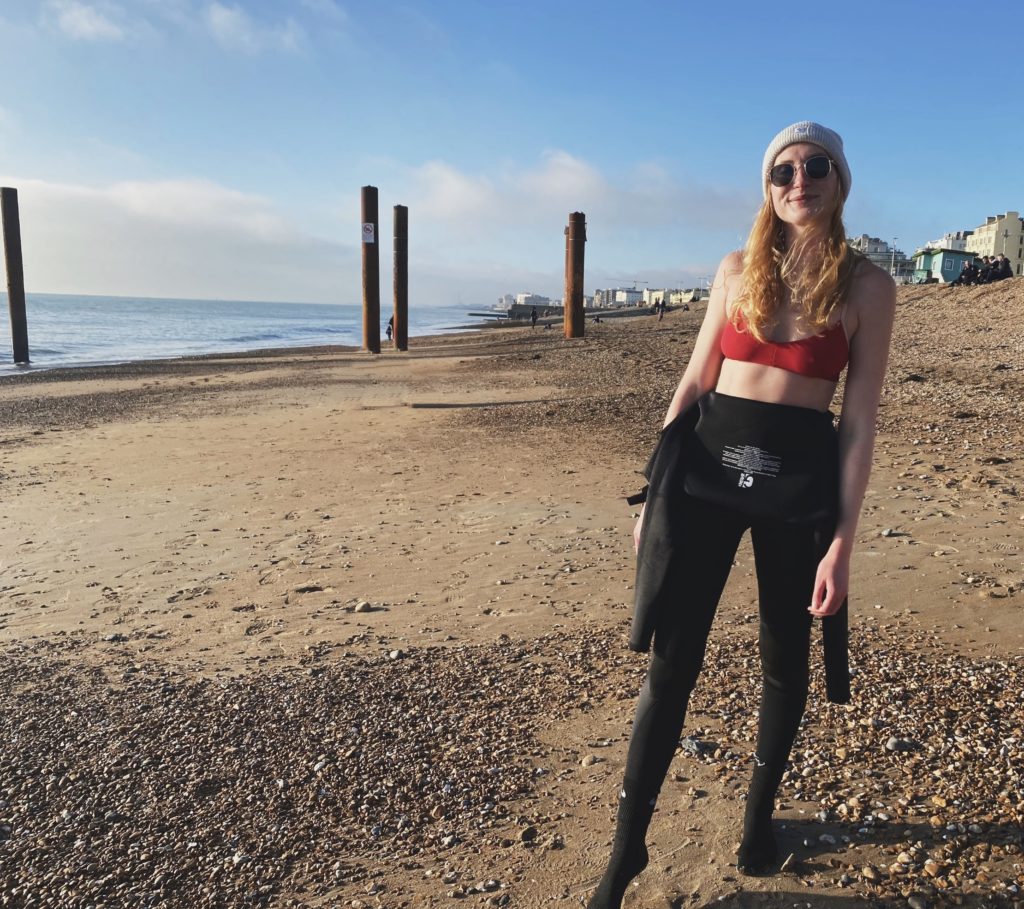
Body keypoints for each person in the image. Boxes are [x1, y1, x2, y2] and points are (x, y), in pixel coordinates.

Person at [587, 121, 895, 909]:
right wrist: (654, 492)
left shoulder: (866, 287)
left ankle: (758, 822)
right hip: (703, 474)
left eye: (816, 165)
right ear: (768, 186)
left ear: (839, 179)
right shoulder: (734, 270)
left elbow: (858, 423)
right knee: (672, 662)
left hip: (799, 484)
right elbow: (694, 383)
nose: (800, 179)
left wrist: (843, 545)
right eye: (783, 169)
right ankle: (625, 854)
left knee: (784, 658)